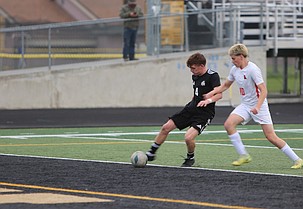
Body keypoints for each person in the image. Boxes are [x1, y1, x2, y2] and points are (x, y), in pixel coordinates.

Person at [204, 43, 303, 169]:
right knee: (228, 124)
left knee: (271, 137)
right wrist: (211, 94)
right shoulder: (234, 70)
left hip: (259, 106)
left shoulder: (253, 69)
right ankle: (244, 155)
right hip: (245, 105)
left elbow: (264, 90)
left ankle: (297, 159)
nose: (232, 61)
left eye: (233, 58)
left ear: (241, 56)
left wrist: (257, 106)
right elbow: (225, 86)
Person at [146, 52, 222, 167]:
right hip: (191, 109)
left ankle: (190, 157)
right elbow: (196, 92)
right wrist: (193, 102)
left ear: (201, 65)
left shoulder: (213, 76)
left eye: (193, 68)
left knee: (188, 138)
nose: (191, 71)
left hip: (204, 114)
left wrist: (208, 101)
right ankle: (151, 152)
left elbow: (219, 95)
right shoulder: (195, 76)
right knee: (166, 127)